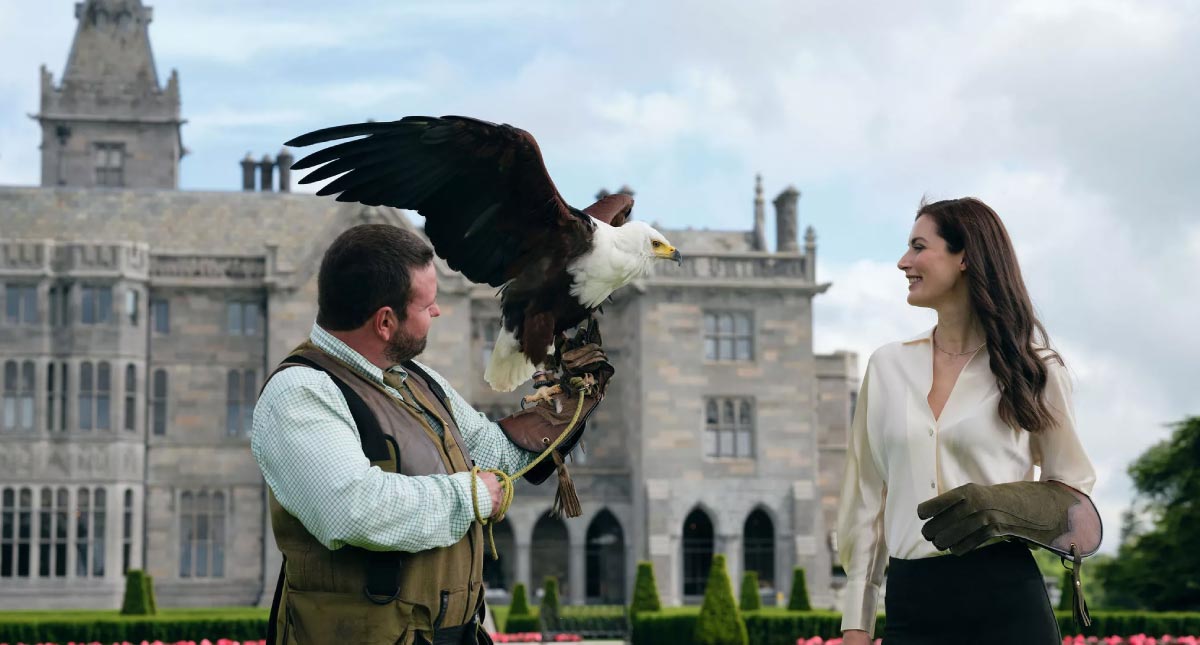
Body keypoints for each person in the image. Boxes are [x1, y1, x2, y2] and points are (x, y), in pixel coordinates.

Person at [251, 224, 609, 645]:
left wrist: (569, 405)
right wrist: (471, 497)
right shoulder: (301, 392)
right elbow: (353, 509)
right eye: (428, 304)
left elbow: (493, 453)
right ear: (386, 321)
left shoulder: (416, 380)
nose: (437, 312)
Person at [837, 198, 1100, 645]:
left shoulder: (1035, 369)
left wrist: (1002, 503)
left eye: (919, 247)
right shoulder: (886, 367)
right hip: (911, 606)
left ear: (965, 257)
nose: (904, 262)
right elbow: (866, 501)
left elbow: (1073, 489)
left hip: (1006, 601)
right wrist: (856, 621)